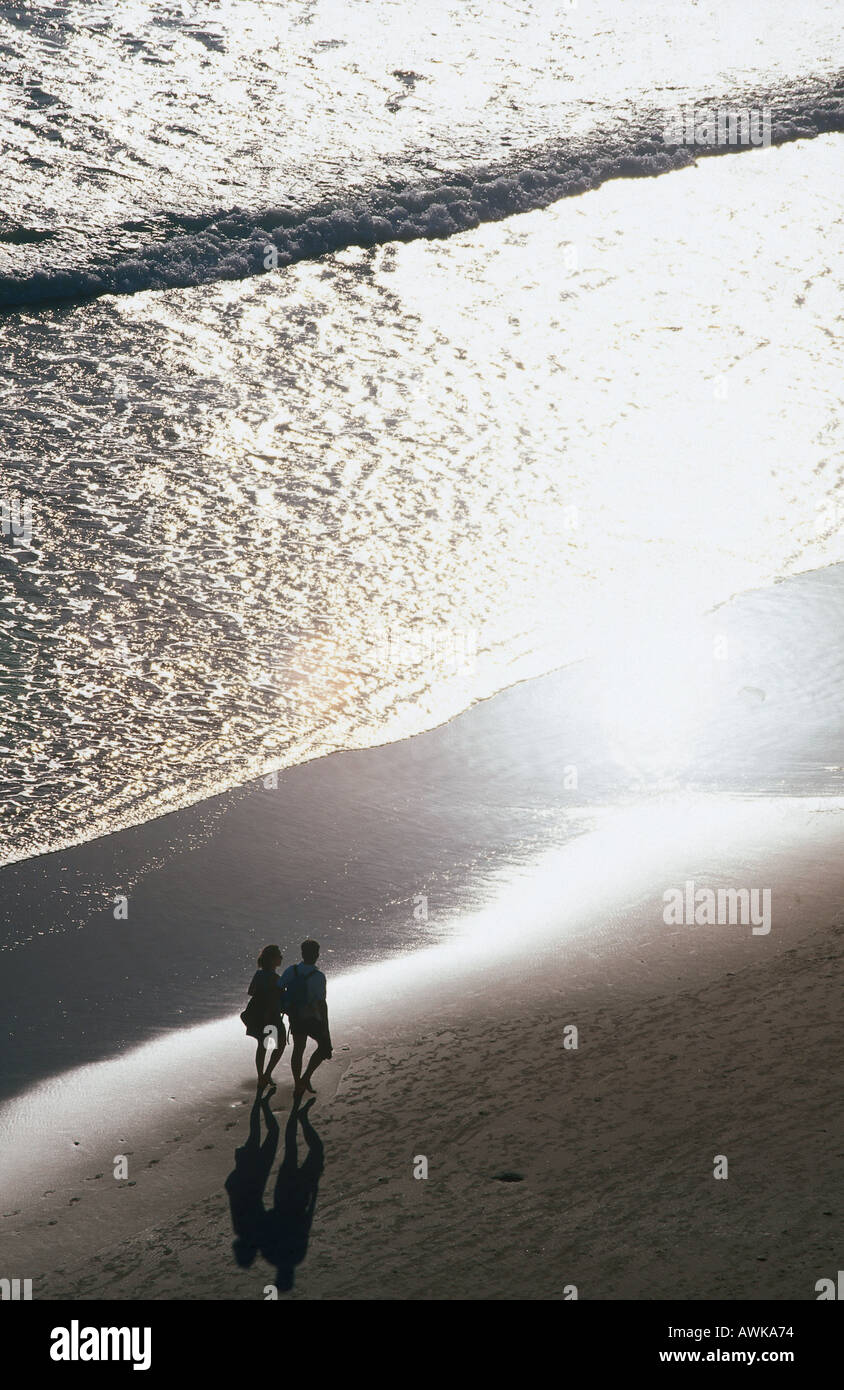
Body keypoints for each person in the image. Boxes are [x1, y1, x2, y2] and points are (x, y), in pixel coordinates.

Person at [279, 939, 332, 1099]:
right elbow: (321, 1003)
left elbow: (278, 988)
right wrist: (326, 1027)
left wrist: (286, 1008)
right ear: (317, 955)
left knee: (298, 1049)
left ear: (302, 953)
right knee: (324, 1048)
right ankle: (306, 1077)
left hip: (295, 1016)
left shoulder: (291, 970)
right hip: (312, 1018)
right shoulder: (318, 976)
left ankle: (298, 1084)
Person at [241, 944, 287, 1095]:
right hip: (271, 1016)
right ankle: (266, 1074)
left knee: (264, 1045)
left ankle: (262, 1075)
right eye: (279, 955)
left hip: (258, 1015)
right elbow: (279, 999)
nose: (281, 957)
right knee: (278, 1044)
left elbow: (250, 992)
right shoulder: (276, 979)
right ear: (272, 959)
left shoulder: (259, 974)